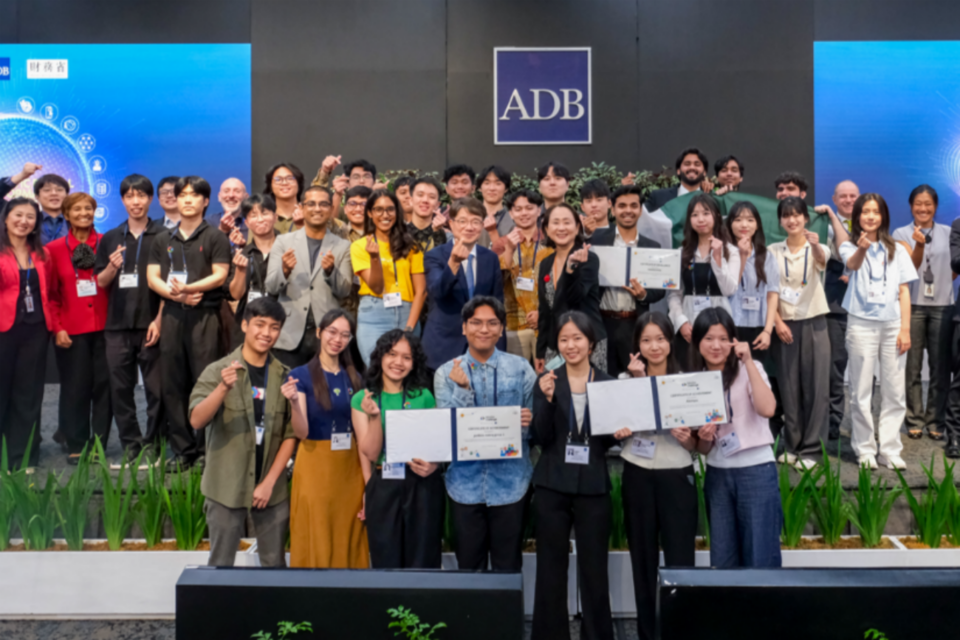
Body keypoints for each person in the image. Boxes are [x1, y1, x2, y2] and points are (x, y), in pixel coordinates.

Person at [531, 311, 623, 640]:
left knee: (595, 570)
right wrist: (548, 400)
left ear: (590, 343)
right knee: (550, 570)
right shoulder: (547, 381)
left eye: (577, 339)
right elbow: (539, 437)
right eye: (564, 339)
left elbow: (608, 438)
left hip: (593, 484)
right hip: (552, 485)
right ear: (557, 344)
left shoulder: (609, 383)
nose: (571, 345)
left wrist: (620, 433)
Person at [189, 297, 296, 568]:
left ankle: (274, 612)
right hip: (226, 485)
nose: (266, 333)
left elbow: (291, 434)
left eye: (274, 327)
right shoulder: (218, 371)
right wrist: (222, 389)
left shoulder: (285, 376)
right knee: (220, 565)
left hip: (270, 489)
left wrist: (270, 481)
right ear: (245, 325)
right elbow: (196, 420)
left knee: (274, 564)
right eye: (259, 325)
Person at [434, 297, 536, 572]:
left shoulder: (520, 369)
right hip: (464, 486)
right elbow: (447, 431)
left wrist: (530, 421)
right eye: (476, 323)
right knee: (469, 569)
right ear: (464, 328)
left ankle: (506, 618)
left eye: (492, 323)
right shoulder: (446, 373)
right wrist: (463, 390)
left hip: (512, 485)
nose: (484, 329)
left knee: (508, 568)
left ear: (502, 329)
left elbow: (535, 429)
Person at [617, 312, 697, 640]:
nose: (654, 347)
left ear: (670, 341)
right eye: (647, 340)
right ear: (637, 343)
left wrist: (690, 439)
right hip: (637, 473)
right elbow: (616, 432)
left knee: (680, 558)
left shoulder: (687, 381)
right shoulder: (624, 381)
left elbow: (697, 443)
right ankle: (647, 633)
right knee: (643, 559)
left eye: (660, 339)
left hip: (676, 472)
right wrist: (637, 384)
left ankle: (679, 630)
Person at [147, 176, 231, 470]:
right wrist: (178, 296)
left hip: (204, 316)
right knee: (172, 382)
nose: (187, 200)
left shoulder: (215, 236)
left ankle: (207, 447)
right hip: (172, 315)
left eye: (194, 196)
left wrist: (191, 288)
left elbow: (221, 274)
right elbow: (152, 277)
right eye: (182, 195)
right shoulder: (161, 238)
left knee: (205, 380)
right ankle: (183, 449)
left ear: (205, 201)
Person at [694, 308, 781, 568]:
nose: (716, 345)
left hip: (756, 471)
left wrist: (749, 362)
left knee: (760, 557)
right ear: (697, 341)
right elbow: (702, 449)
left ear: (734, 340)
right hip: (718, 474)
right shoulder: (694, 381)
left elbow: (768, 410)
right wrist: (703, 437)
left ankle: (763, 610)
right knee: (722, 559)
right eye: (709, 338)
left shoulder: (750, 369)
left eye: (723, 338)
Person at [351, 330, 443, 568]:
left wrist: (433, 465)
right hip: (384, 484)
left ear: (414, 364)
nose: (398, 363)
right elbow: (370, 453)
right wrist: (374, 417)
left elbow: (435, 444)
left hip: (421, 484)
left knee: (423, 556)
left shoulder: (423, 396)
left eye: (406, 357)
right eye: (392, 354)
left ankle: (422, 605)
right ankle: (391, 606)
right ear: (380, 357)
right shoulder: (363, 398)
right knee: (386, 557)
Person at [286, 309, 369, 568]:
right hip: (314, 463)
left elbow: (363, 433)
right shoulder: (300, 375)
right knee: (317, 531)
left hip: (350, 466)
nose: (338, 339)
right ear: (319, 332)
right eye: (332, 332)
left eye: (345, 335)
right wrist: (293, 405)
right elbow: (301, 432)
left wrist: (368, 484)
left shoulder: (356, 377)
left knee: (350, 531)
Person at [840, 194, 917, 470]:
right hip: (861, 323)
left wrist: (906, 329)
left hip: (893, 325)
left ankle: (889, 448)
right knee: (860, 390)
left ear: (883, 216)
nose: (870, 216)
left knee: (895, 390)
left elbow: (905, 290)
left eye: (876, 212)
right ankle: (864, 449)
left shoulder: (896, 248)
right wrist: (861, 248)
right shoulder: (849, 245)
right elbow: (853, 265)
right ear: (857, 216)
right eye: (865, 212)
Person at [96, 174, 165, 464]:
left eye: (141, 196)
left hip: (152, 324)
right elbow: (100, 282)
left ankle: (154, 444)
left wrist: (160, 320)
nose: (135, 201)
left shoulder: (164, 236)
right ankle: (131, 444)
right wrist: (112, 267)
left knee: (156, 389)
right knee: (120, 389)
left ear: (150, 199)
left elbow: (171, 281)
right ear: (122, 200)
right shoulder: (110, 236)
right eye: (129, 196)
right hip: (116, 327)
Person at [47, 192, 112, 465]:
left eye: (89, 208)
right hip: (71, 329)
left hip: (108, 326)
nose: (84, 213)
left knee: (104, 387)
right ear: (66, 214)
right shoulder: (53, 249)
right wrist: (58, 327)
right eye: (77, 209)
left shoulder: (109, 244)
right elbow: (50, 295)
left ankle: (99, 442)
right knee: (75, 387)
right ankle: (75, 441)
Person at [768, 197, 831, 470]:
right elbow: (767, 290)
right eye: (786, 216)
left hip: (814, 323)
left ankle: (813, 450)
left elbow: (822, 260)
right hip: (784, 325)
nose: (792, 220)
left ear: (806, 218)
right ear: (780, 221)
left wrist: (815, 245)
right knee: (789, 388)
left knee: (816, 389)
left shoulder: (818, 247)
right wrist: (777, 322)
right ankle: (792, 446)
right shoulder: (772, 251)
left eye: (797, 215)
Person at [266, 186, 353, 369]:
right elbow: (271, 287)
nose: (317, 209)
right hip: (289, 331)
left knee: (324, 393)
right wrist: (285, 270)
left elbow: (344, 291)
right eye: (311, 204)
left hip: (326, 332)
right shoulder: (283, 242)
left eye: (323, 204)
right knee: (287, 390)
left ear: (330, 209)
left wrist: (331, 272)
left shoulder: (343, 245)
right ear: (301, 208)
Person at [893, 185, 953, 441]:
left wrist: (945, 283)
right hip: (913, 306)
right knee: (912, 367)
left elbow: (956, 264)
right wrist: (917, 245)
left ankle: (936, 420)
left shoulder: (949, 233)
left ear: (935, 206)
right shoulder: (900, 234)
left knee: (940, 367)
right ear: (911, 206)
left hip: (943, 306)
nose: (923, 208)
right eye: (918, 203)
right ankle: (914, 419)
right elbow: (911, 267)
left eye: (928, 203)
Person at [0, 198, 55, 469]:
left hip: (35, 332)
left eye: (30, 217)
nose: (24, 221)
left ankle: (22, 459)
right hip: (3, 331)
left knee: (29, 394)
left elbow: (52, 294)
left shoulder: (42, 255)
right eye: (18, 215)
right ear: (6, 218)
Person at [590, 185, 666, 377]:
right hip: (601, 322)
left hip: (635, 324)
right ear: (612, 209)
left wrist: (644, 295)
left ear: (640, 210)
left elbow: (661, 289)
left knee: (634, 378)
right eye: (622, 206)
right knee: (602, 378)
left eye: (634, 205)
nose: (628, 211)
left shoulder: (652, 246)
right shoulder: (596, 240)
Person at [423, 197, 505, 370]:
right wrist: (453, 263)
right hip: (443, 344)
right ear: (451, 225)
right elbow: (437, 292)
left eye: (476, 222)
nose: (469, 227)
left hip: (482, 346)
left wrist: (500, 349)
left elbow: (498, 305)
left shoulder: (489, 258)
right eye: (463, 221)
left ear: (482, 226)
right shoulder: (435, 256)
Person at [351, 190, 426, 365]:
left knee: (405, 371)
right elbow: (376, 287)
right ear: (370, 213)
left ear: (397, 212)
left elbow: (421, 291)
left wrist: (409, 328)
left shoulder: (411, 245)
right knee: (376, 369)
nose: (385, 215)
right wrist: (375, 259)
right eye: (379, 210)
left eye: (390, 209)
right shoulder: (360, 246)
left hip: (408, 312)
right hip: (374, 314)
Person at [667, 194, 739, 369]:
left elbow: (729, 289)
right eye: (694, 214)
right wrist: (681, 321)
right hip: (689, 326)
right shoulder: (681, 252)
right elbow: (673, 294)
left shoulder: (730, 251)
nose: (701, 219)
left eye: (706, 213)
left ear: (716, 215)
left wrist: (716, 258)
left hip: (719, 326)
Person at [536, 204, 606, 372]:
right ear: (546, 228)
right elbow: (545, 311)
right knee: (555, 394)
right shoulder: (545, 263)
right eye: (555, 223)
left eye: (567, 222)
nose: (561, 228)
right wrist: (540, 350)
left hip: (586, 341)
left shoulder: (588, 259)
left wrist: (570, 270)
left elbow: (575, 298)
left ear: (577, 228)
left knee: (588, 393)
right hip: (555, 343)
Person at [815, 180, 859, 440]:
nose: (849, 200)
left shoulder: (872, 223)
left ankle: (863, 425)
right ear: (834, 198)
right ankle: (832, 421)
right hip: (833, 304)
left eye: (853, 195)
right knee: (834, 368)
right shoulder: (822, 225)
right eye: (843, 196)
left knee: (865, 372)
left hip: (867, 308)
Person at [499, 190, 553, 363]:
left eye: (529, 208)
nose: (524, 213)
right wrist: (509, 249)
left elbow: (559, 285)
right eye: (519, 209)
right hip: (513, 324)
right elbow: (496, 281)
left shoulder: (552, 242)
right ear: (511, 213)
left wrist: (543, 314)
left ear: (539, 211)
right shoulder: (500, 243)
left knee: (545, 380)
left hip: (546, 323)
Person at [725, 201, 779, 370]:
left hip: (758, 328)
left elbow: (772, 294)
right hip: (729, 326)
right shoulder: (722, 254)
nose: (744, 224)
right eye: (738, 219)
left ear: (757, 225)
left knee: (756, 377)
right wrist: (741, 254)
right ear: (730, 224)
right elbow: (728, 287)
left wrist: (768, 331)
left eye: (750, 220)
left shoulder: (766, 256)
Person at [228, 195, 278, 349]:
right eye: (253, 215)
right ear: (247, 223)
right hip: (249, 322)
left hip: (282, 321)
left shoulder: (288, 249)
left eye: (265, 213)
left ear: (275, 217)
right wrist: (240, 271)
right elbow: (236, 295)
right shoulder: (242, 254)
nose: (260, 219)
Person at [642, 147, 709, 213]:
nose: (692, 167)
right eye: (687, 164)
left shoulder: (713, 199)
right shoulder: (658, 197)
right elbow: (640, 218)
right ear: (678, 170)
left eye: (697, 164)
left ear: (705, 172)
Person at [406, 177, 448, 255]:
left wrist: (437, 232)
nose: (425, 200)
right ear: (411, 201)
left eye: (431, 197)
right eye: (420, 195)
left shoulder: (444, 235)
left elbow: (440, 262)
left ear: (437, 205)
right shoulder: (399, 232)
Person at [477, 165, 514, 246]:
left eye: (498, 183)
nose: (492, 188)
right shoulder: (471, 215)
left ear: (506, 189)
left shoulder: (514, 219)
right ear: (480, 188)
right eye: (487, 183)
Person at [264, 163, 304, 234]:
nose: (284, 183)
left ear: (298, 183)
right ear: (270, 185)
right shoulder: (263, 219)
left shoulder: (309, 214)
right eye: (278, 179)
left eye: (290, 178)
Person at [34, 173, 71, 245]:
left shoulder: (75, 221)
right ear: (37, 196)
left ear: (67, 195)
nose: (54, 193)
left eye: (59, 190)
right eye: (47, 190)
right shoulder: (31, 220)